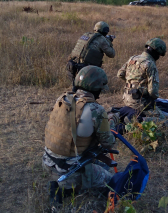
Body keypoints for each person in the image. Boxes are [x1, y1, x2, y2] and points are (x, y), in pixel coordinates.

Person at [43, 66, 119, 205]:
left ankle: (59, 184)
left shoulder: (62, 98)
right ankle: (64, 189)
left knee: (103, 165)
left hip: (48, 162)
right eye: (99, 91)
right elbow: (108, 143)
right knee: (112, 182)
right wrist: (111, 123)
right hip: (69, 170)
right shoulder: (96, 109)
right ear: (95, 88)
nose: (100, 95)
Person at [117, 37, 166, 113]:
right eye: (159, 55)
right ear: (156, 52)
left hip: (126, 98)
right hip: (139, 102)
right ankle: (138, 119)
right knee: (163, 119)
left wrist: (132, 84)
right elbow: (153, 92)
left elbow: (120, 74)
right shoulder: (150, 64)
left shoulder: (133, 58)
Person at [67, 21, 116, 91]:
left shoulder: (86, 35)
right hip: (85, 69)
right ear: (105, 31)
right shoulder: (102, 40)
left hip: (72, 66)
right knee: (105, 90)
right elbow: (112, 54)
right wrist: (109, 42)